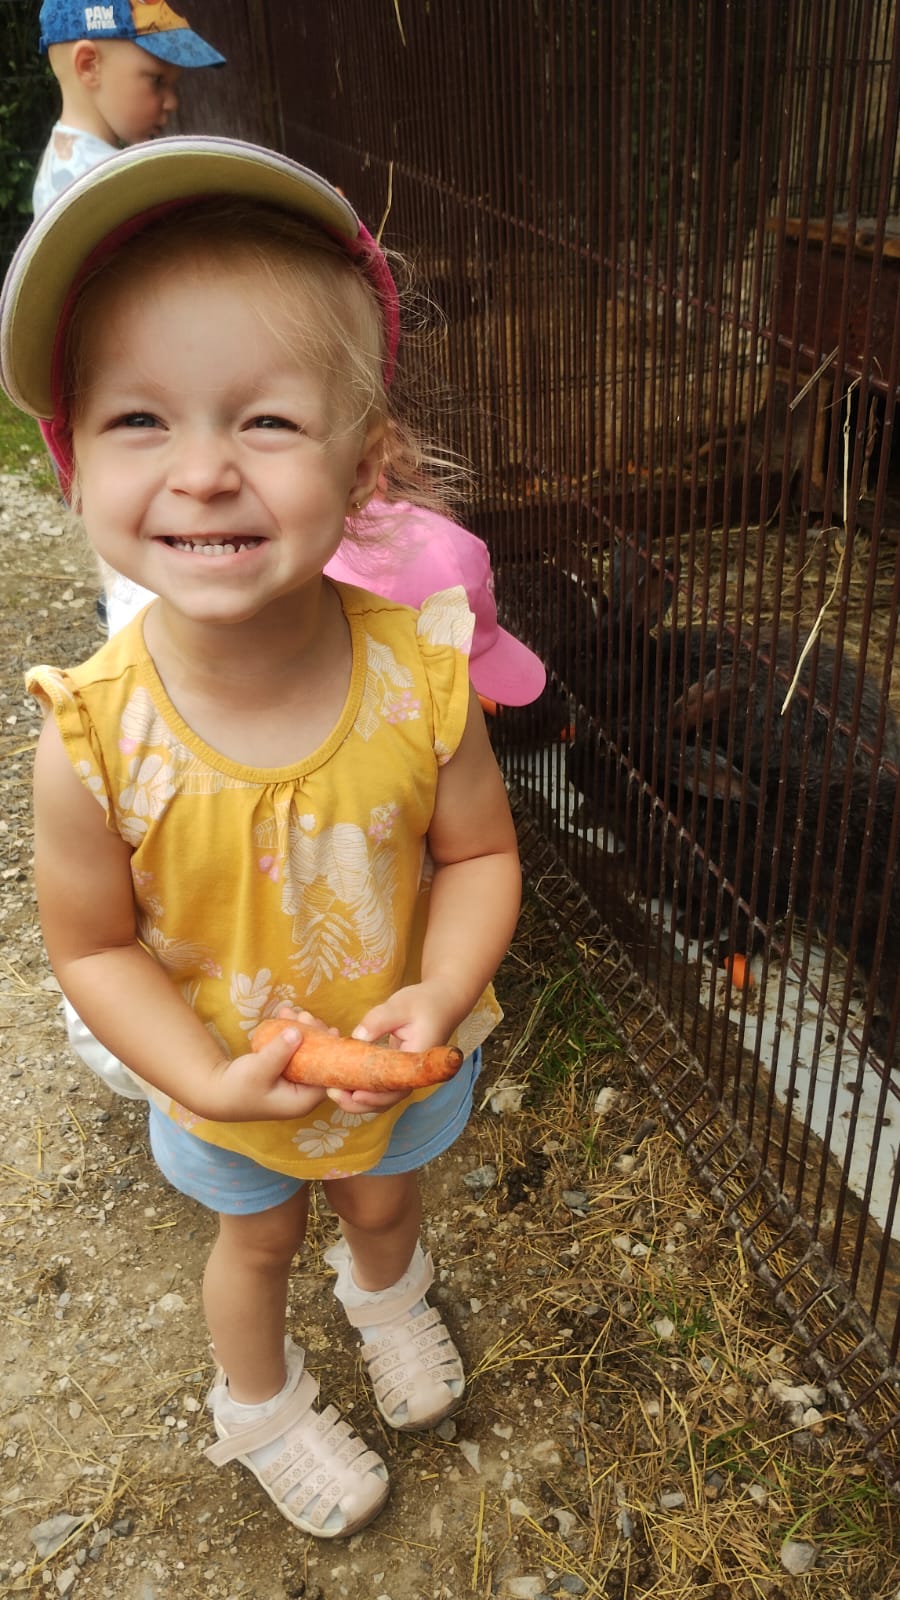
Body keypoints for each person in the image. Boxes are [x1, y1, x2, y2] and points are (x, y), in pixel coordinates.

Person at [1, 136, 523, 1539]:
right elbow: (92, 949)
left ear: (367, 462)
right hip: (223, 1081)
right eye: (139, 419)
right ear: (71, 464)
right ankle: (259, 1406)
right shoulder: (92, 737)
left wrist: (444, 989)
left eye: (269, 422)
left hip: (396, 1056)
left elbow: (480, 856)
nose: (204, 473)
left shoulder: (421, 678)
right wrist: (205, 1081)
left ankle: (386, 1292)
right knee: (257, 1240)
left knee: (385, 1203)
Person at [32, 0, 225, 216]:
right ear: (89, 66)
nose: (173, 102)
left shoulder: (61, 167)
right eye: (157, 80)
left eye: (173, 84)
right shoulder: (106, 187)